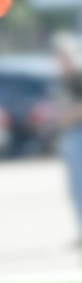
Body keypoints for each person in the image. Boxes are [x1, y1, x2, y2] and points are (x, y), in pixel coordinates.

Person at [56, 33, 82, 244]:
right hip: (71, 134)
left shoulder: (77, 76)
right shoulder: (65, 79)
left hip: (78, 133)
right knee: (75, 188)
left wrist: (68, 116)